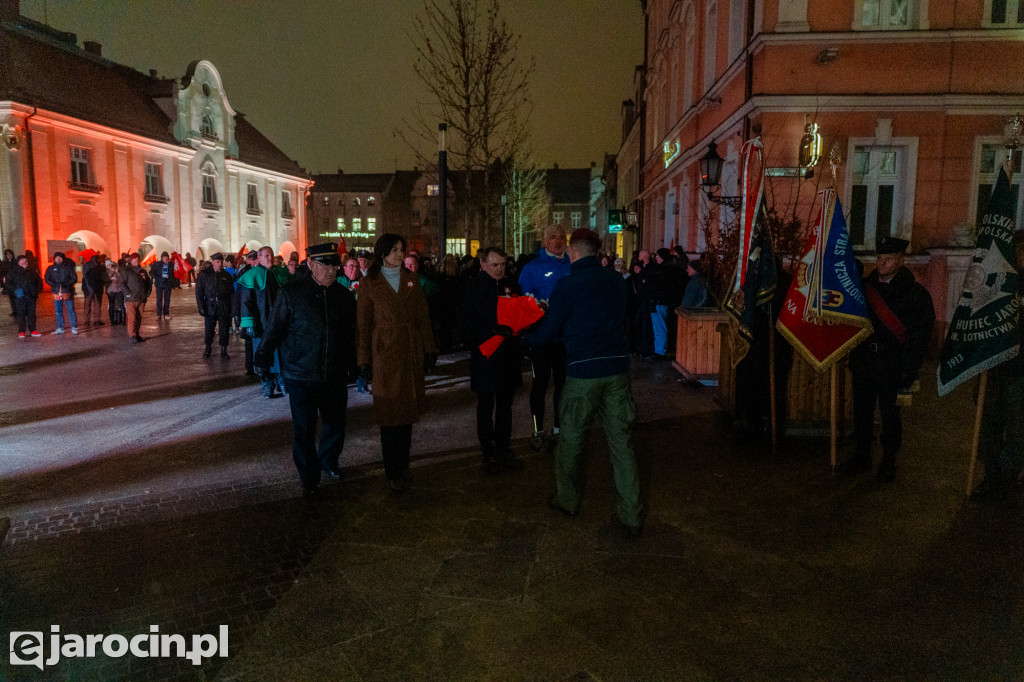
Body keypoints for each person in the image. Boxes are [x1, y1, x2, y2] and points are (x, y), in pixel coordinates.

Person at [524, 228, 643, 538]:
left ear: (573, 253)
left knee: (572, 441)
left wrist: (527, 340)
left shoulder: (568, 285)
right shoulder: (617, 281)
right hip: (616, 371)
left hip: (581, 372)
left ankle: (568, 500)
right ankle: (631, 514)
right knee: (622, 445)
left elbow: (550, 329)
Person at [256, 243, 357, 496]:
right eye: (327, 265)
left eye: (335, 265)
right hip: (301, 373)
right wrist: (263, 357)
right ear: (311, 264)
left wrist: (355, 364)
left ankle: (329, 462)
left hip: (334, 372)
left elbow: (350, 335)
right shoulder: (292, 293)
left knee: (335, 423)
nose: (333, 270)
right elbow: (274, 328)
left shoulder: (343, 297)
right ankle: (308, 475)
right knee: (304, 428)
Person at [841, 235, 935, 482]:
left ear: (901, 261)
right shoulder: (864, 288)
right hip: (864, 361)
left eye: (889, 258)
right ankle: (862, 456)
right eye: (880, 257)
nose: (882, 263)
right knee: (861, 412)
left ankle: (888, 461)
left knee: (890, 416)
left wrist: (910, 366)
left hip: (892, 364)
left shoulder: (915, 294)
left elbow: (920, 334)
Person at [357, 233, 437, 491]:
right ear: (382, 254)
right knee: (390, 413)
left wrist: (428, 350)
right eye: (395, 250)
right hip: (385, 352)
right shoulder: (369, 282)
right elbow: (363, 325)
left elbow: (423, 317)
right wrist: (363, 359)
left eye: (402, 249)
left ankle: (403, 465)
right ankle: (392, 471)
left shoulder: (411, 280)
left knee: (407, 412)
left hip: (409, 349)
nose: (401, 254)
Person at [460, 246, 527, 475]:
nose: (500, 269)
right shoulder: (474, 287)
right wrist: (490, 330)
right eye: (495, 265)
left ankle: (504, 449)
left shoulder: (511, 285)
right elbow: (466, 323)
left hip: (508, 354)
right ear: (484, 264)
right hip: (487, 355)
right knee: (486, 405)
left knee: (506, 405)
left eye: (503, 264)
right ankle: (487, 452)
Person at [975, 232, 1024, 505]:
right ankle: (990, 476)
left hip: (1020, 370)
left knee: (1017, 429)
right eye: (1016, 252)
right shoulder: (998, 283)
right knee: (988, 425)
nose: (1020, 257)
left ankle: (1008, 478)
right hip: (994, 368)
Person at [518, 225, 571, 451]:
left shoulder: (573, 265)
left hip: (565, 338)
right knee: (540, 383)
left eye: (561, 237)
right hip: (540, 338)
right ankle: (538, 431)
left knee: (563, 385)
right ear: (544, 241)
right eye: (552, 237)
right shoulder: (532, 268)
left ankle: (559, 430)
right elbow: (525, 303)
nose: (558, 241)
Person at [238, 246, 281, 397]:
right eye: (266, 256)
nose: (270, 258)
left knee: (279, 353)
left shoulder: (278, 274)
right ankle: (266, 383)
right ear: (260, 258)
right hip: (261, 324)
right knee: (263, 354)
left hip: (278, 323)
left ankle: (280, 381)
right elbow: (246, 302)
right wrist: (249, 324)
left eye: (271, 255)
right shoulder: (251, 276)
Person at [195, 252, 235, 359]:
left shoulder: (226, 276)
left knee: (224, 329)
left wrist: (232, 309)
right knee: (209, 329)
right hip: (210, 305)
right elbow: (199, 292)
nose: (220, 264)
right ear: (212, 262)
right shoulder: (205, 275)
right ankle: (208, 347)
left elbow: (231, 293)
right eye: (217, 262)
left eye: (221, 262)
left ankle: (223, 349)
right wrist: (201, 307)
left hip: (223, 306)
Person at [234, 250, 260, 375]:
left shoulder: (263, 271)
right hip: (247, 313)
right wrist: (237, 313)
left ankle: (258, 365)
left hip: (257, 312)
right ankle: (250, 367)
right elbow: (238, 295)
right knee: (249, 341)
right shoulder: (244, 273)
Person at [7, 254, 42, 338]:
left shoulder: (32, 271)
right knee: (21, 314)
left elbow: (39, 282)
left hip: (31, 296)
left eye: (25, 260)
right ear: (18, 262)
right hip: (20, 297)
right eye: (22, 260)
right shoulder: (13, 272)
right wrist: (15, 289)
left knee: (31, 314)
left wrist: (36, 291)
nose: (24, 262)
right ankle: (21, 331)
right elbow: (8, 283)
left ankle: (33, 330)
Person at [44, 251, 78, 335]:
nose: (58, 259)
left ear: (63, 258)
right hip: (56, 291)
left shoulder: (68, 268)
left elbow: (74, 278)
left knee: (71, 310)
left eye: (60, 257)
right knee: (58, 310)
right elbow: (47, 278)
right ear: (54, 259)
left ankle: (73, 327)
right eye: (56, 257)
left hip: (66, 291)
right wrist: (54, 284)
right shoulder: (51, 268)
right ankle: (60, 327)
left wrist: (67, 283)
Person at [120, 252, 152, 343]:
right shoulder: (127, 271)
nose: (137, 260)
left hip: (141, 298)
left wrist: (148, 292)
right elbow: (122, 283)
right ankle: (132, 335)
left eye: (138, 258)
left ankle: (137, 334)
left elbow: (148, 283)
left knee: (139, 317)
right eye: (135, 258)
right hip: (131, 299)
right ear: (131, 260)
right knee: (132, 317)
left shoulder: (143, 271)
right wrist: (128, 293)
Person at [82, 254, 109, 326]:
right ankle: (97, 321)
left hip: (88, 289)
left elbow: (84, 276)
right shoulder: (101, 267)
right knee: (97, 305)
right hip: (97, 289)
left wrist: (88, 287)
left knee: (87, 305)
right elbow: (104, 277)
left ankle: (86, 321)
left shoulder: (86, 265)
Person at [150, 251, 176, 320]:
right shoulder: (157, 264)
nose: (166, 259)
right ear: (162, 258)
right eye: (164, 257)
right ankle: (158, 314)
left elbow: (173, 273)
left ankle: (166, 314)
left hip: (167, 284)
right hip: (159, 284)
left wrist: (171, 279)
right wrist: (157, 277)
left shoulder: (171, 265)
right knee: (159, 299)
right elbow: (151, 272)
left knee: (167, 299)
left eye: (167, 257)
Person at [105, 259, 125, 325]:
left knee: (121, 305)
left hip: (119, 289)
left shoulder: (117, 270)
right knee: (112, 305)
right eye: (109, 264)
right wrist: (113, 271)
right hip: (111, 290)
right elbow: (108, 278)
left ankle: (123, 320)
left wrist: (117, 271)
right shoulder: (106, 271)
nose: (111, 265)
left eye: (111, 264)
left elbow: (121, 278)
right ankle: (113, 321)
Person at [0, 248, 16, 316]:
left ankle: (20, 310)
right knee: (11, 297)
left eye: (10, 254)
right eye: (7, 254)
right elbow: (2, 272)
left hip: (16, 282)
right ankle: (14, 310)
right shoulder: (4, 263)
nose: (9, 255)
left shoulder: (15, 262)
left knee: (17, 296)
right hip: (9, 282)